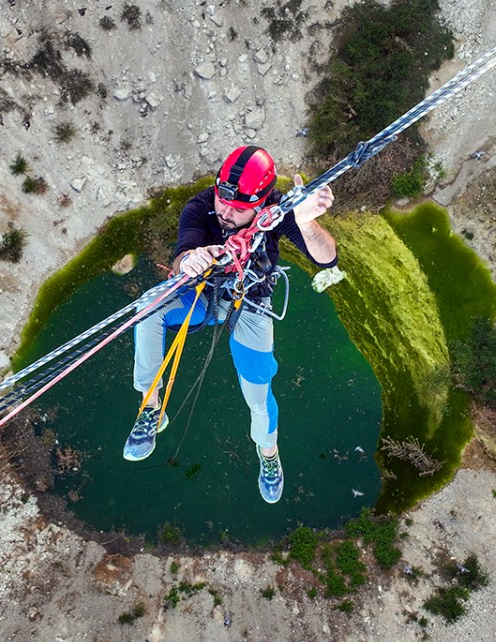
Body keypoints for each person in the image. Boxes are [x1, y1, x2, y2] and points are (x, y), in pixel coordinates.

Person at [124, 145, 337, 503]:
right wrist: (190, 260)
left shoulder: (278, 210)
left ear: (262, 201)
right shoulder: (201, 206)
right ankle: (151, 407)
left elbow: (327, 259)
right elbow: (182, 255)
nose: (225, 212)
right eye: (224, 201)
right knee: (147, 308)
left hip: (252, 300)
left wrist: (304, 221)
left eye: (239, 209)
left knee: (258, 392)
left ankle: (268, 452)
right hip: (203, 292)